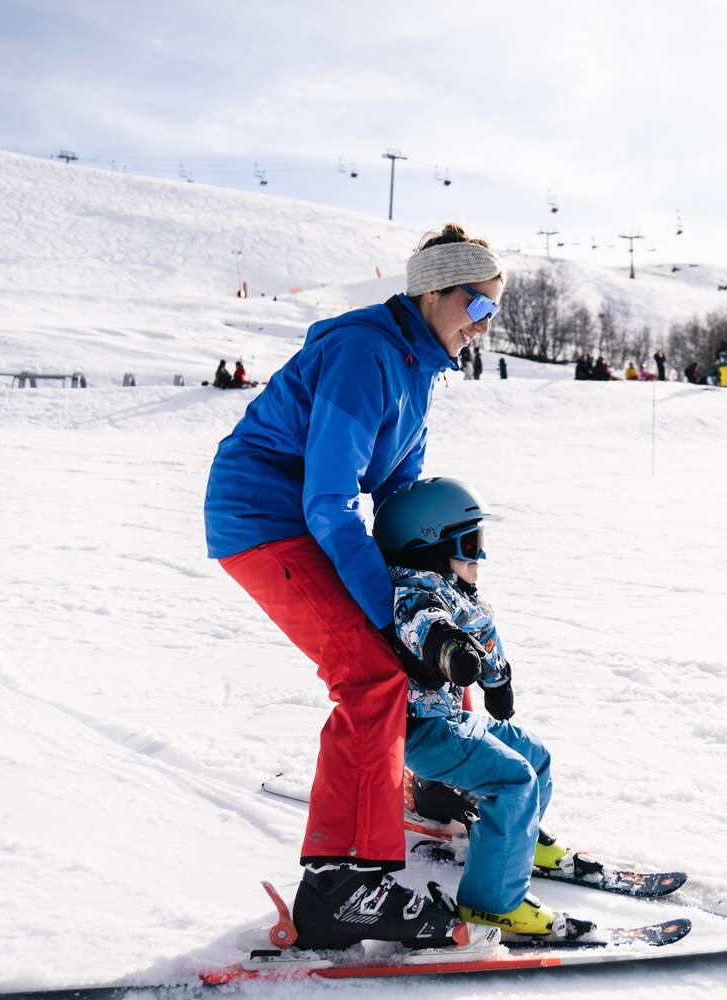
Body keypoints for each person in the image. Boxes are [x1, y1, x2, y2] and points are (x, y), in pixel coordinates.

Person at [204, 223, 504, 951]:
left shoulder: (419, 367)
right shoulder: (362, 353)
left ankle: (431, 786)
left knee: (430, 630)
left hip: (310, 519)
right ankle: (339, 887)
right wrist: (386, 617)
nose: (484, 326)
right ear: (433, 293)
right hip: (262, 519)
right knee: (371, 672)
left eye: (494, 312)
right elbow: (329, 501)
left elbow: (396, 491)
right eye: (478, 307)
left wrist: (424, 607)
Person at [374, 477, 571, 936]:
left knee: (535, 755)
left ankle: (513, 844)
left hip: (448, 719)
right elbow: (425, 627)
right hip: (421, 729)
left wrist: (498, 680)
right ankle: (491, 902)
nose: (479, 558)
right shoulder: (416, 592)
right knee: (514, 780)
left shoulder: (459, 593)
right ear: (427, 546)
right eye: (470, 544)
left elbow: (484, 637)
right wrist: (448, 651)